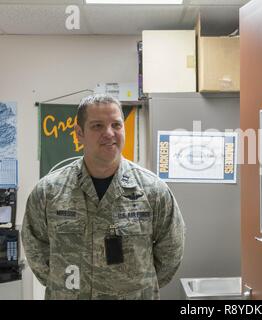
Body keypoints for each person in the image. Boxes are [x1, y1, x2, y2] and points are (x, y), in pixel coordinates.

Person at [22, 94, 185, 299]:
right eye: (97, 126)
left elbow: (170, 253)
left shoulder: (153, 191)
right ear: (79, 133)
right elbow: (36, 251)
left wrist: (132, 286)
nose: (109, 133)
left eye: (116, 125)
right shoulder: (48, 192)